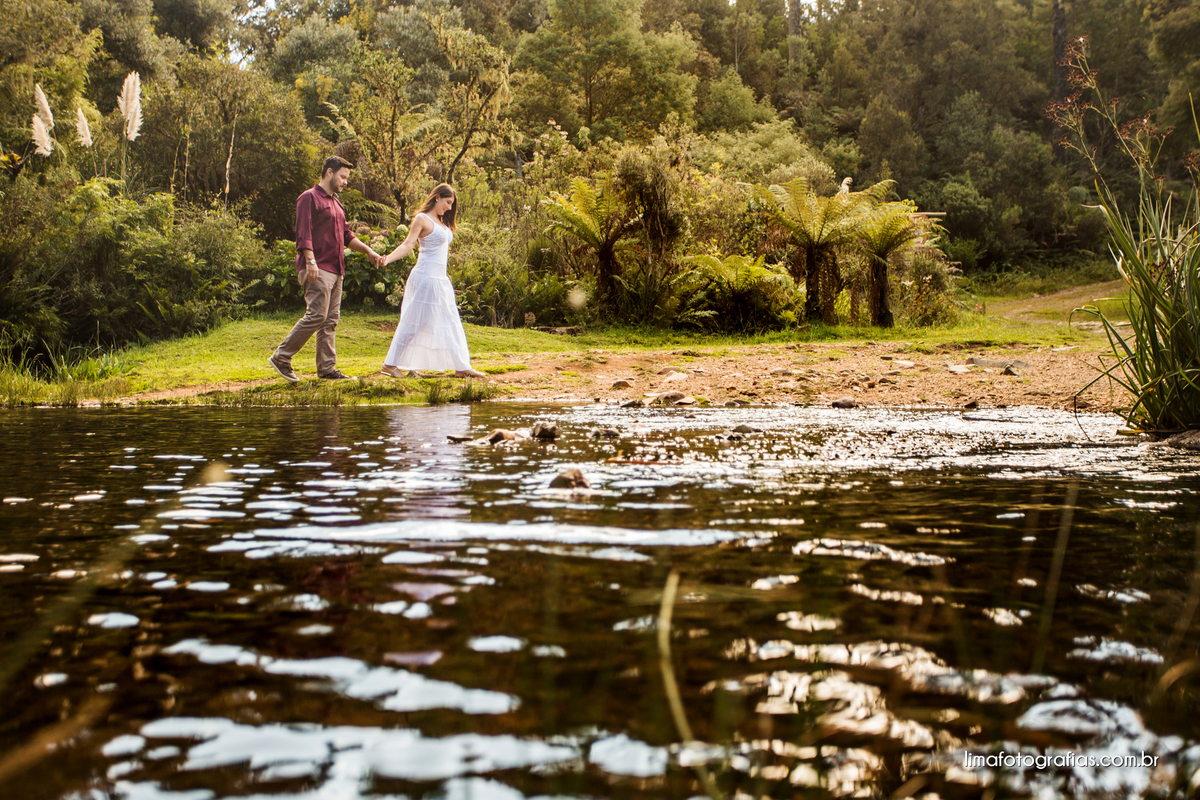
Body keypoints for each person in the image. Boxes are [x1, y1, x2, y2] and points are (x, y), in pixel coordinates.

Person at [268, 156, 384, 382]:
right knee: (317, 315)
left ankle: (327, 369)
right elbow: (303, 232)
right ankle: (282, 357)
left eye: (347, 178)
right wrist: (310, 261)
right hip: (317, 267)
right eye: (342, 177)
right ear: (329, 173)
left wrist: (369, 251)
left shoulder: (337, 203)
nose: (345, 182)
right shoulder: (308, 198)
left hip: (336, 268)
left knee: (330, 320)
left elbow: (346, 235)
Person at [380, 184, 486, 379]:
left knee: (451, 321)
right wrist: (387, 258)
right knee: (414, 321)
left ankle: (462, 366)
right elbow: (408, 245)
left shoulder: (442, 223)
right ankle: (389, 364)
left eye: (451, 204)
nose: (449, 207)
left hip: (440, 280)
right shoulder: (422, 219)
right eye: (447, 202)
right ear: (437, 197)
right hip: (425, 277)